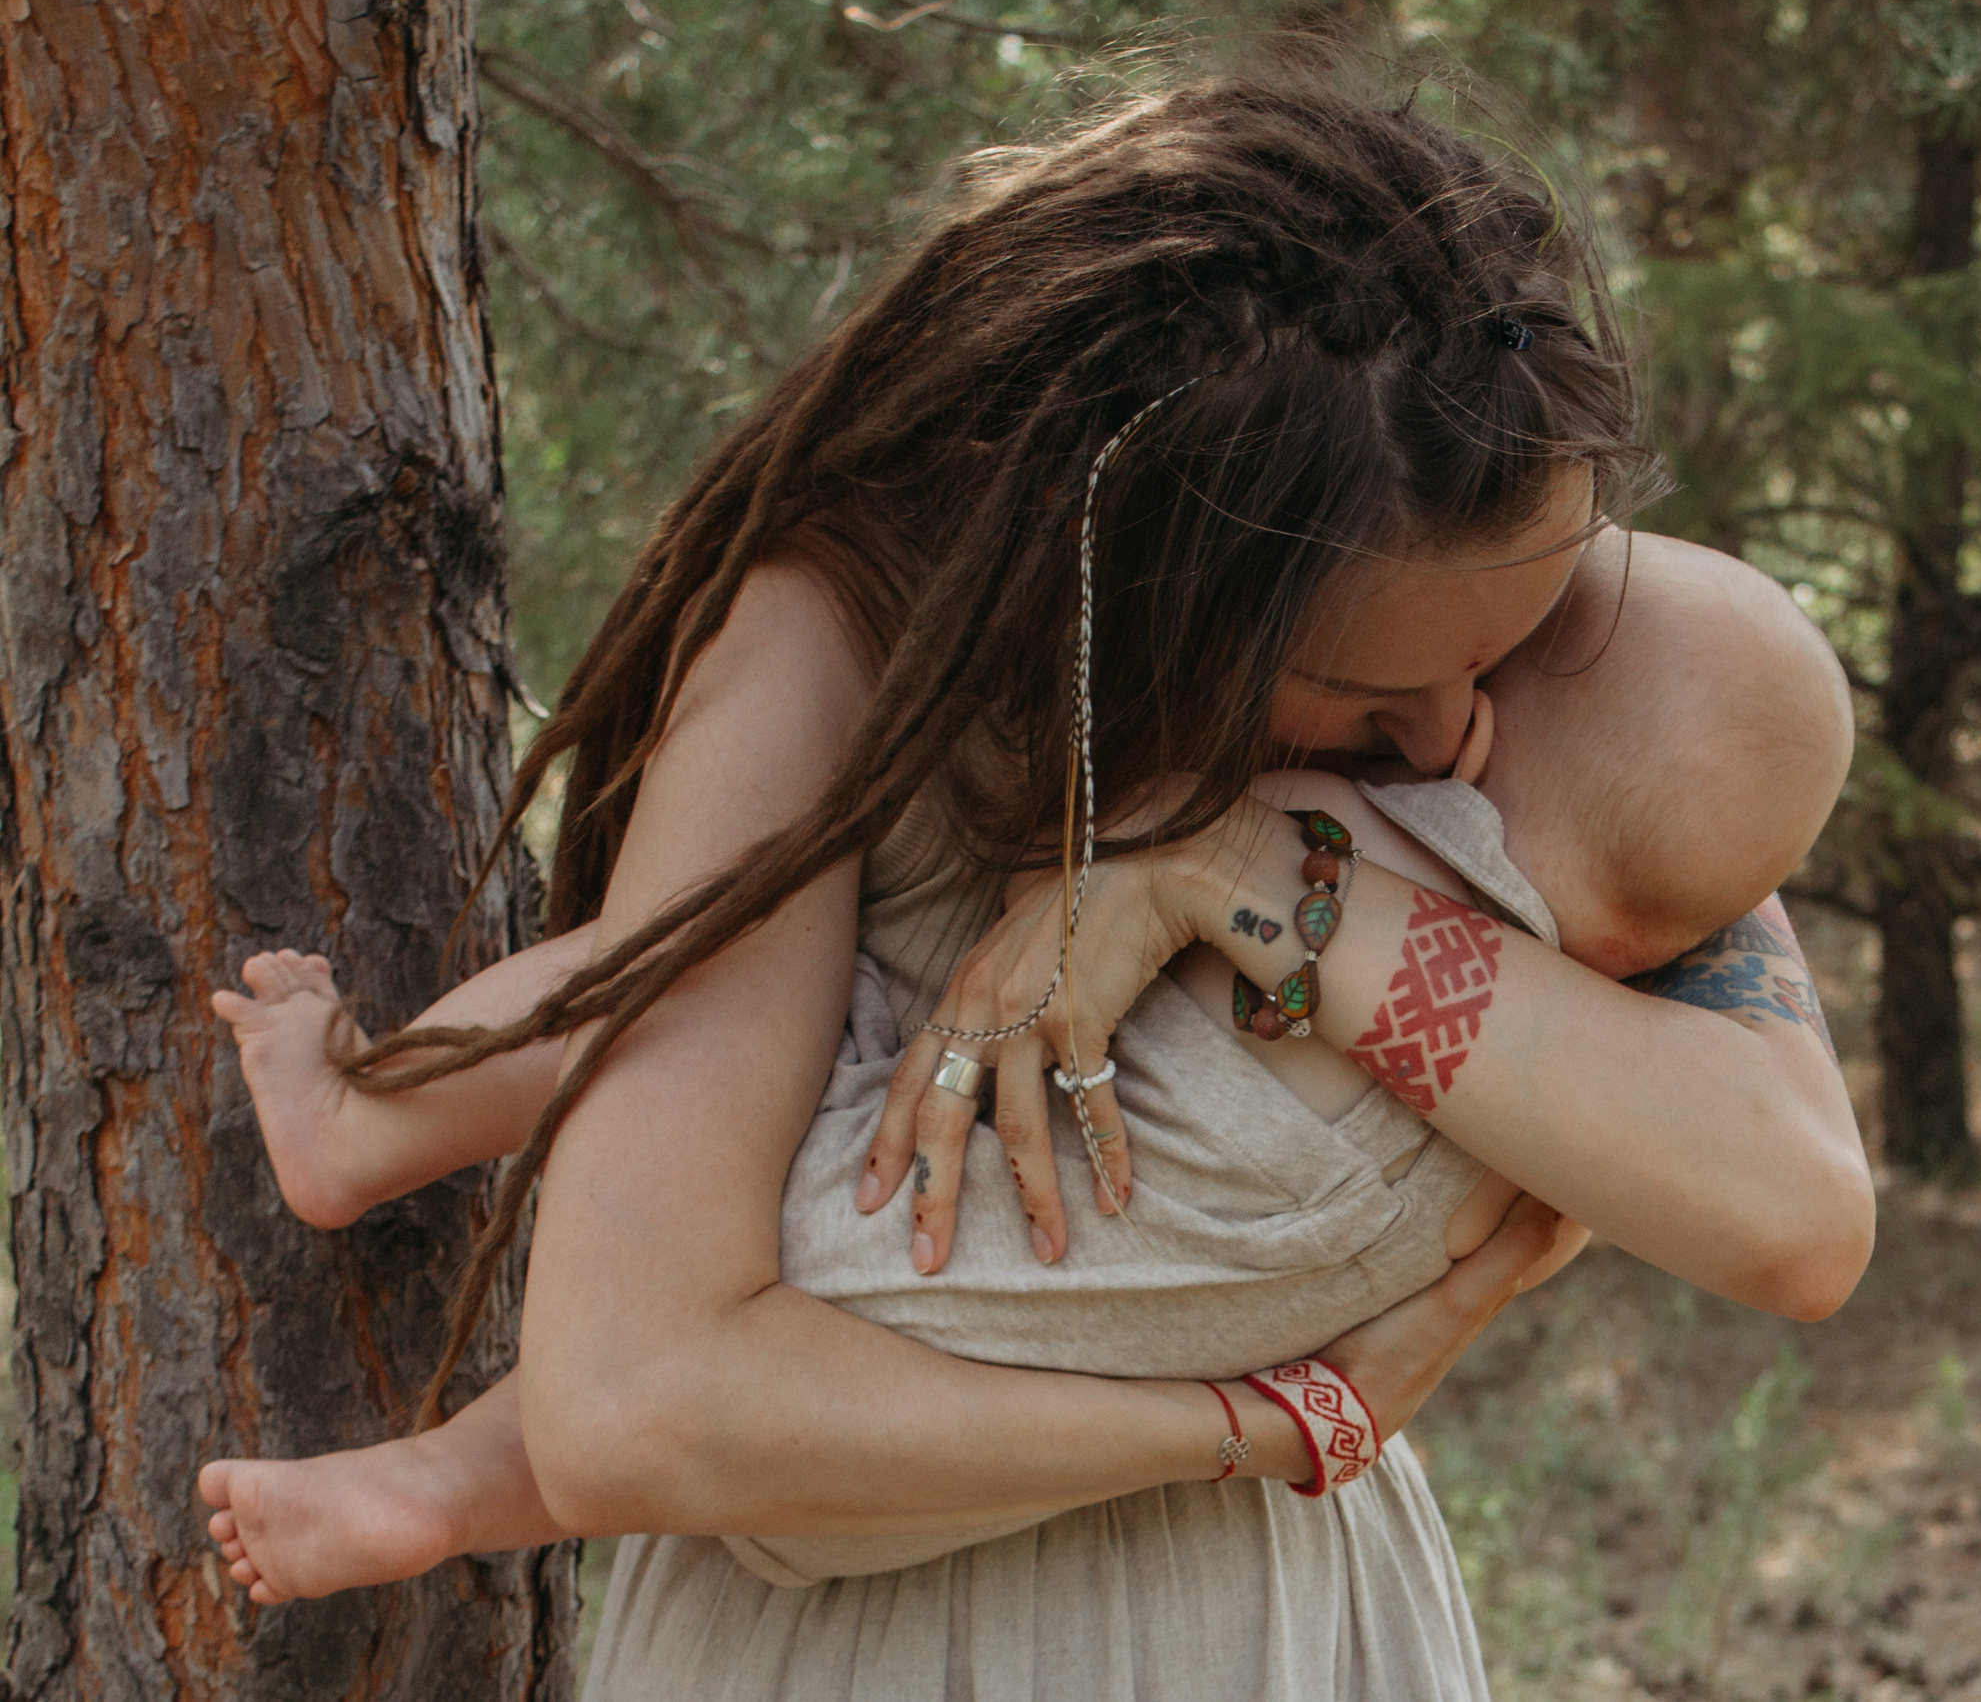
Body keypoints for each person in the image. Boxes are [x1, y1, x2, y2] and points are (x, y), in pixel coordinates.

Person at [201, 61, 1871, 1698]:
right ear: (1168, 588)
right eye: (1366, 704)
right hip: (890, 1641)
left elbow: (1788, 1216)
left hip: (1297, 1626)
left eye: (1513, 650)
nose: (1453, 741)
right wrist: (1269, 1423)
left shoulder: (1516, 623)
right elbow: (636, 1404)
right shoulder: (843, 649)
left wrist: (1241, 870)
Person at [199, 533, 1853, 1602]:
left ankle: (378, 1144)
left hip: (850, 1400)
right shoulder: (1619, 924)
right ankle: (427, 1469)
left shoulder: (1386, 796)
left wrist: (1207, 855)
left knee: (719, 988)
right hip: (1006, 1459)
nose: (1429, 715)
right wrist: (1281, 1417)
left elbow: (1802, 1220)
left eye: (1474, 673)